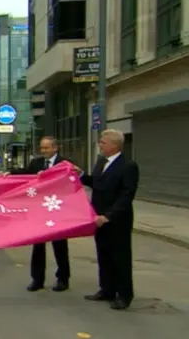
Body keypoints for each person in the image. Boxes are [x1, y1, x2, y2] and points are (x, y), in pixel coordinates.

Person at [76, 129, 139, 310]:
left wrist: (109, 216)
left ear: (114, 145)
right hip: (98, 218)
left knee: (120, 257)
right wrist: (81, 175)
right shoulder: (101, 162)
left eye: (103, 142)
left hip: (117, 220)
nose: (100, 145)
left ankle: (124, 294)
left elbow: (126, 196)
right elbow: (96, 183)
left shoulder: (128, 165)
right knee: (103, 255)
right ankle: (107, 289)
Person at [3, 136, 71, 292]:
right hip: (39, 210)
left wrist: (49, 176)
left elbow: (69, 182)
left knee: (60, 246)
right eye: (42, 148)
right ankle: (37, 279)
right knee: (38, 246)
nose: (44, 151)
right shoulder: (36, 163)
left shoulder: (64, 163)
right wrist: (11, 173)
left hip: (57, 209)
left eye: (47, 148)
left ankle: (63, 279)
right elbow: (25, 174)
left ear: (55, 148)